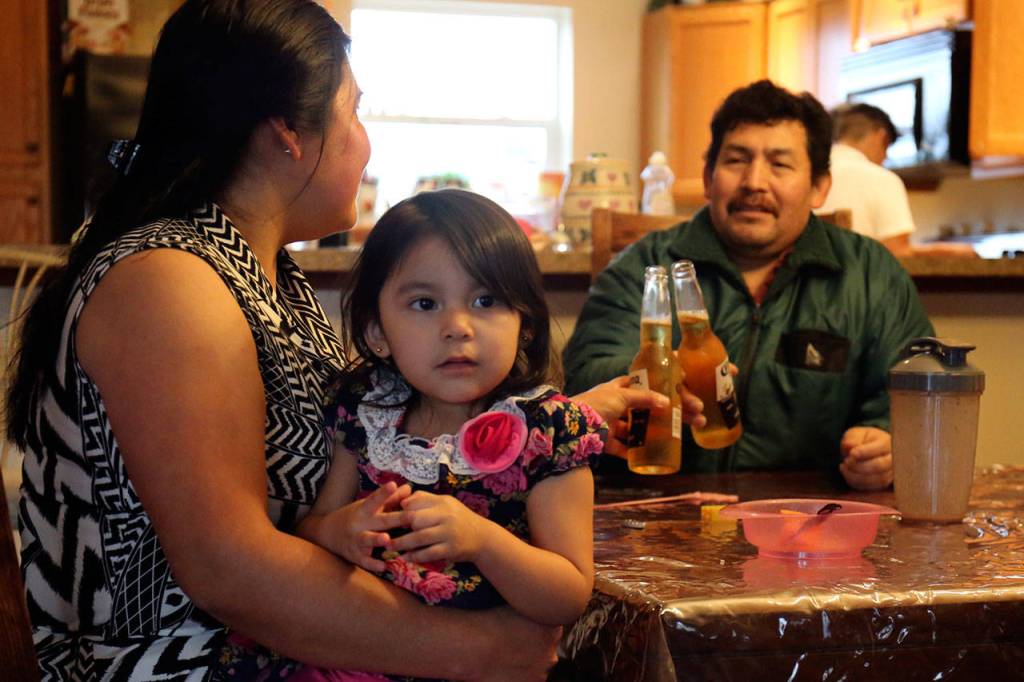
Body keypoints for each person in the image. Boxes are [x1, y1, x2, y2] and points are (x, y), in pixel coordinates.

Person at [4, 1, 679, 679]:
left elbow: (387, 427)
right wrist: (482, 651)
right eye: (354, 112)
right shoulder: (170, 282)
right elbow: (227, 568)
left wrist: (552, 421)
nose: (364, 140)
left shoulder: (262, 271)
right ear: (288, 132)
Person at [227, 189, 605, 680]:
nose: (458, 327)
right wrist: (338, 531)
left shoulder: (551, 430)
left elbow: (568, 594)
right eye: (425, 303)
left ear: (525, 325)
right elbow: (312, 528)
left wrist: (483, 542)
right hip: (359, 654)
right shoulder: (365, 410)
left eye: (485, 300)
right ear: (377, 331)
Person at [563, 80, 935, 492]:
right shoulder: (646, 266)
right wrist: (659, 376)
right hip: (651, 511)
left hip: (807, 525)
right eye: (737, 160)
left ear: (819, 186)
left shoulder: (870, 273)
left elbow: (916, 394)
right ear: (707, 178)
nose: (754, 182)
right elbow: (583, 377)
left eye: (780, 164)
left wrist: (888, 442)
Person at [818, 103, 975, 258]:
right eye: (886, 149)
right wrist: (946, 252)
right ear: (882, 137)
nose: (885, 159)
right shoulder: (881, 179)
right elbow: (898, 254)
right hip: (860, 282)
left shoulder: (810, 175)